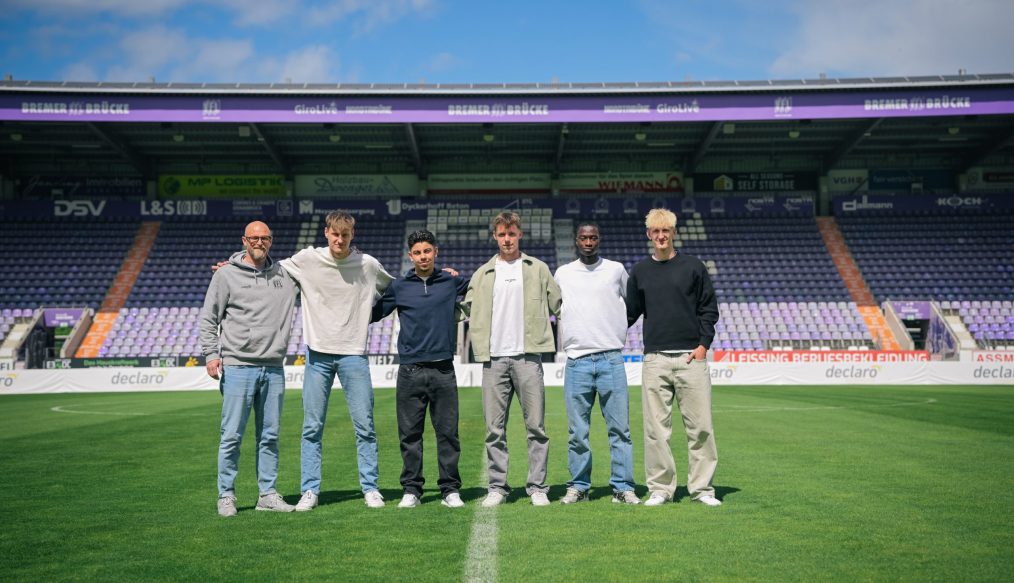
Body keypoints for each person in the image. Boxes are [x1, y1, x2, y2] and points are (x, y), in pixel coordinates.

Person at [279, 211, 394, 511]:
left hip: (354, 355)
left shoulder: (367, 265)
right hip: (317, 355)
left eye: (345, 235)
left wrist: (367, 316)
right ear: (326, 232)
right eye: (335, 233)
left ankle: (370, 487)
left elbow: (395, 289)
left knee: (365, 426)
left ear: (352, 235)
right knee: (311, 427)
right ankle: (310, 490)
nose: (340, 239)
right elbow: (268, 271)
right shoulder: (306, 259)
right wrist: (235, 267)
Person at [200, 220, 299, 517]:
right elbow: (209, 318)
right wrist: (210, 355)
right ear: (244, 240)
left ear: (271, 241)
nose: (259, 242)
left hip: (273, 368)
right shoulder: (226, 276)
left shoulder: (286, 274)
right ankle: (226, 495)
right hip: (238, 366)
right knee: (231, 435)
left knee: (269, 435)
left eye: (264, 238)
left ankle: (267, 494)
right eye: (254, 238)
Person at [463, 211, 562, 507]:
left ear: (520, 234)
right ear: (495, 236)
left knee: (537, 428)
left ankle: (538, 487)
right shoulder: (482, 274)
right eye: (502, 234)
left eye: (512, 233)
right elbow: (464, 308)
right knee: (494, 429)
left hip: (528, 358)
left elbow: (560, 304)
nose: (507, 239)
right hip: (493, 360)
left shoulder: (538, 268)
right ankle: (497, 487)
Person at [626, 208, 722, 507]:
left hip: (691, 359)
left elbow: (709, 309)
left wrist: (704, 344)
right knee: (656, 431)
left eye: (666, 230)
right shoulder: (640, 271)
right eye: (655, 231)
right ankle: (660, 489)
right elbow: (628, 314)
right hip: (655, 360)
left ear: (674, 233)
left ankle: (702, 490)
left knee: (701, 428)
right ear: (649, 235)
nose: (661, 236)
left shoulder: (694, 267)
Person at [371, 229, 469, 509]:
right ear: (410, 255)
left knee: (448, 433)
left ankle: (450, 489)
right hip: (410, 371)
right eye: (417, 252)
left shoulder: (451, 282)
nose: (423, 256)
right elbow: (372, 314)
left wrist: (456, 274)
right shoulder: (399, 287)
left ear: (435, 252)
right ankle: (412, 490)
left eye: (427, 251)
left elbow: (482, 287)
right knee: (410, 434)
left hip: (443, 370)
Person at [554, 222, 639, 505]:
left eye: (593, 237)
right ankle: (579, 486)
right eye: (583, 237)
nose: (588, 242)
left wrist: (618, 327)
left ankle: (623, 488)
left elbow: (634, 303)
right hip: (577, 361)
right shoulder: (563, 273)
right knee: (578, 432)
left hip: (611, 359)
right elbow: (552, 307)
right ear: (576, 241)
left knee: (620, 430)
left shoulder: (615, 270)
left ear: (599, 240)